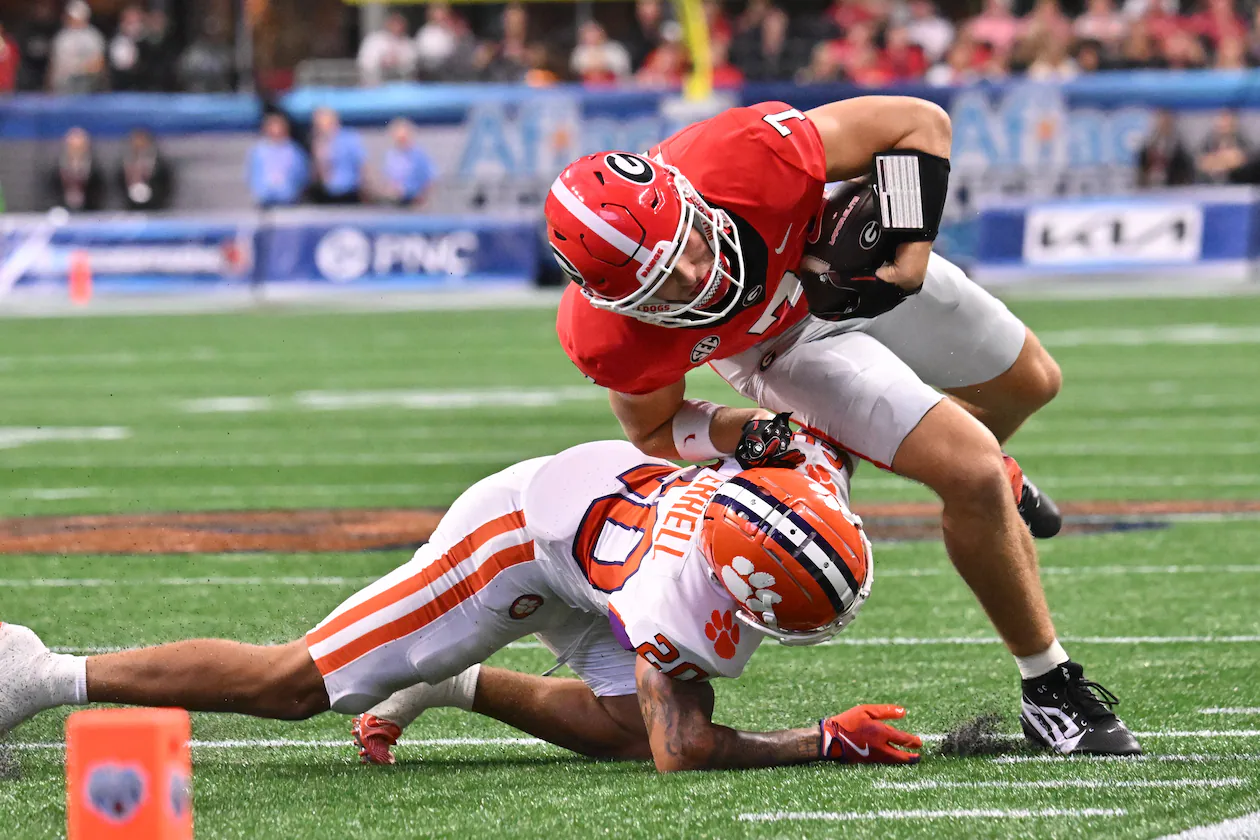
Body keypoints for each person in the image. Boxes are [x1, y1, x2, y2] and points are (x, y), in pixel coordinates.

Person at [544, 98, 1140, 757]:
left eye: (689, 244)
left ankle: (987, 470)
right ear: (612, 302)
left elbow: (918, 123)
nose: (696, 276)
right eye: (663, 285)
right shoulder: (610, 338)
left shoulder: (741, 155)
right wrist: (750, 432)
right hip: (781, 346)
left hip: (842, 270)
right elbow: (657, 430)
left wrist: (911, 246)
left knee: (1032, 383)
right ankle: (1049, 689)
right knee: (969, 471)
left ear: (689, 197)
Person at [0, 433, 925, 773]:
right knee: (297, 684)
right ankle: (39, 673)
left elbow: (799, 431)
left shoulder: (799, 476)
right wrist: (818, 740)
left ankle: (455, 685)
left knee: (617, 725)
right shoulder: (667, 603)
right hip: (515, 539)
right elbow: (679, 753)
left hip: (595, 519)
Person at [247, 113, 309, 208]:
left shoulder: (295, 151)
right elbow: (252, 175)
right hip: (265, 202)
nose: (276, 130)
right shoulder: (258, 151)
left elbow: (303, 175)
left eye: (279, 126)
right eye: (272, 126)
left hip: (290, 201)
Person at [308, 107, 366, 204]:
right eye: (317, 124)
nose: (319, 127)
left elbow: (361, 165)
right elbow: (318, 174)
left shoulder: (349, 138)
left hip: (349, 192)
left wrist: (363, 189)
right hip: (327, 194)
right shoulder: (318, 142)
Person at [47, 0, 106, 94]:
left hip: (84, 86)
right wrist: (49, 87)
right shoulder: (61, 37)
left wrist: (76, 69)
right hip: (61, 88)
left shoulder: (92, 36)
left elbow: (98, 65)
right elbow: (53, 65)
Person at [377, 118, 436, 206]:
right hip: (395, 202)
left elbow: (430, 180)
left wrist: (421, 199)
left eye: (403, 138)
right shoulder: (391, 155)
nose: (401, 141)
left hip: (415, 202)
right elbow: (388, 179)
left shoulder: (419, 155)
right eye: (399, 138)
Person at [47, 126, 105, 212]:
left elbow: (100, 192)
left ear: (86, 147)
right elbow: (51, 192)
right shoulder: (56, 169)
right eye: (73, 147)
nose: (76, 150)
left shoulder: (95, 169)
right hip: (61, 212)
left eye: (80, 147)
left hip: (89, 211)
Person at [118, 128, 173, 211]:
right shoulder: (124, 163)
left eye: (141, 140)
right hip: (130, 208)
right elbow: (119, 183)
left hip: (157, 207)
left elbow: (166, 184)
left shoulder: (160, 164)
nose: (138, 144)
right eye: (136, 141)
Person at [357, 11, 417, 86]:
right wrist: (382, 62)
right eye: (394, 24)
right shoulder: (374, 40)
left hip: (400, 86)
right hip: (375, 85)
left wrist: (399, 62)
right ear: (388, 24)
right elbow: (364, 62)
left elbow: (412, 65)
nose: (397, 27)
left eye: (399, 24)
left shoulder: (409, 44)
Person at [1137, 109, 1194, 187]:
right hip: (1149, 187)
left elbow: (1184, 171)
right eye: (1160, 118)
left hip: (1171, 187)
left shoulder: (1179, 147)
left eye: (1166, 119)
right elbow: (1142, 166)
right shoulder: (1149, 144)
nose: (1163, 122)